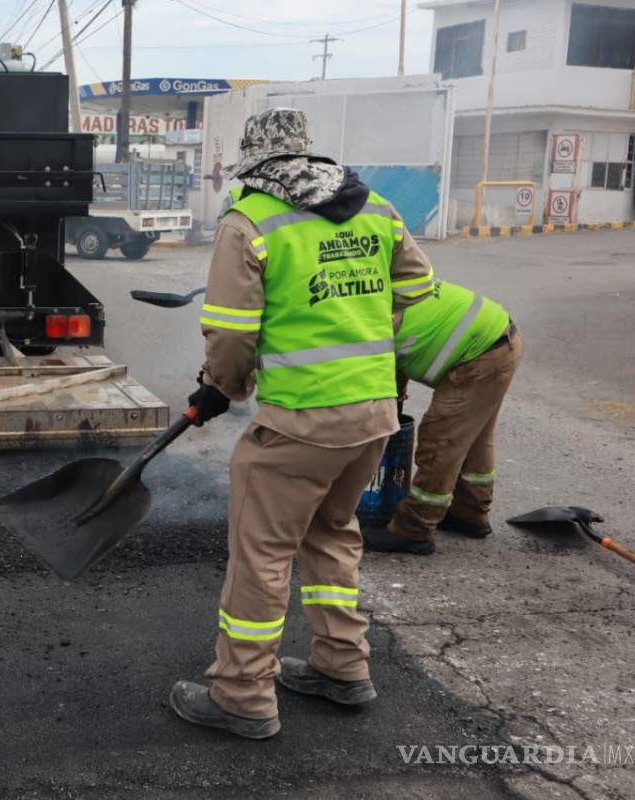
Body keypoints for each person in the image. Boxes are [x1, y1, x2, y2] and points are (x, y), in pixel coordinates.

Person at [168, 108, 435, 739]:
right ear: (308, 153)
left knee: (261, 556)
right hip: (372, 414)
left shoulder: (251, 218)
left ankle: (241, 694)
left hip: (301, 425)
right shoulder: (375, 207)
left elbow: (231, 336)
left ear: (255, 160)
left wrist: (223, 390)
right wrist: (356, 323)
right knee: (331, 533)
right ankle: (342, 666)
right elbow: (419, 284)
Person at [362, 282, 523, 555]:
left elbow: (377, 371)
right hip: (501, 339)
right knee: (476, 438)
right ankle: (470, 514)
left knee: (440, 441)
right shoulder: (389, 289)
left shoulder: (368, 318)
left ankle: (413, 529)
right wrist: (397, 397)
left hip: (478, 355)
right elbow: (392, 367)